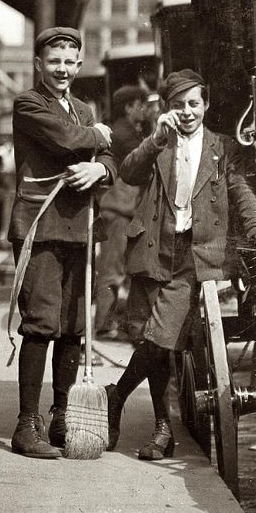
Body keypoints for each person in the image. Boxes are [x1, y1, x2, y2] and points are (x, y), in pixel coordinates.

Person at [107, 69, 256, 460]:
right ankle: (162, 429)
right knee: (150, 340)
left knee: (161, 334)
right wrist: (156, 138)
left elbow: (241, 194)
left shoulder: (222, 148)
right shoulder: (160, 141)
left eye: (194, 103)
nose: (187, 112)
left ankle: (117, 394)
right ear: (168, 109)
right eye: (178, 105)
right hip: (155, 246)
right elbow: (128, 172)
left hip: (196, 253)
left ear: (205, 104)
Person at [8, 27, 117, 458]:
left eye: (71, 61)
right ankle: (25, 425)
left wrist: (101, 172)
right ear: (39, 65)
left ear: (79, 65)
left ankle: (60, 418)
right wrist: (101, 137)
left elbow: (105, 158)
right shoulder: (29, 104)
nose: (63, 69)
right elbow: (68, 140)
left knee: (73, 326)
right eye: (55, 61)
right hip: (40, 225)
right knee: (41, 321)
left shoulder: (85, 108)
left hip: (80, 226)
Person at [93, 84, 148, 339]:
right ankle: (104, 325)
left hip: (122, 210)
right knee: (111, 270)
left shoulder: (126, 131)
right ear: (128, 108)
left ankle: (109, 321)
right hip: (118, 209)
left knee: (116, 269)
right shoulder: (124, 134)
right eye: (141, 105)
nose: (145, 110)